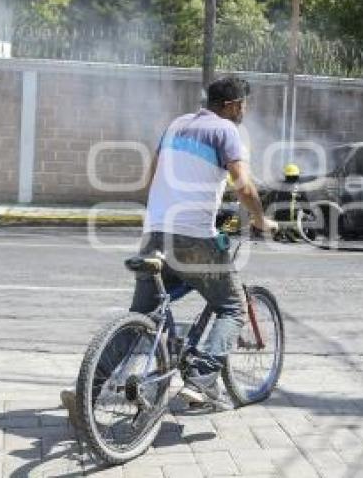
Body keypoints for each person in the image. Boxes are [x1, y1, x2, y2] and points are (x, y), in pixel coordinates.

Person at [64, 76, 278, 414]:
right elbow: (245, 187)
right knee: (232, 307)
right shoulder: (226, 131)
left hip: (155, 234)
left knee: (141, 318)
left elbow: (154, 180)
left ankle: (85, 394)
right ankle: (203, 380)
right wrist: (261, 220)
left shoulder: (175, 125)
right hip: (192, 236)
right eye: (244, 105)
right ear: (232, 105)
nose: (245, 111)